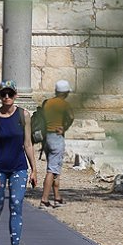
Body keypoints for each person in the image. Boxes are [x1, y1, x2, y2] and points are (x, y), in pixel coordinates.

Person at [0, 80, 38, 245]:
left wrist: (34, 169)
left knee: (16, 203)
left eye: (10, 94)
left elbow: (28, 143)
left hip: (18, 167)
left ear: (15, 95)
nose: (6, 97)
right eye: (3, 94)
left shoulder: (24, 115)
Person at [40, 80, 74, 208]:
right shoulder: (64, 105)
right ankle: (44, 199)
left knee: (55, 167)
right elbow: (71, 117)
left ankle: (57, 197)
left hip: (46, 138)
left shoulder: (48, 103)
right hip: (57, 137)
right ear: (65, 93)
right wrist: (64, 127)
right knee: (52, 170)